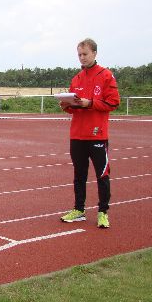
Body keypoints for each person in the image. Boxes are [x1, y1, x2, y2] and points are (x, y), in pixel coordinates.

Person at [59, 38, 120, 228]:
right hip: (77, 135)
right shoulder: (76, 78)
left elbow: (113, 103)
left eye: (85, 54)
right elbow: (74, 108)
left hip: (97, 135)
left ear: (94, 53)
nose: (82, 58)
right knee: (79, 175)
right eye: (79, 54)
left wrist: (90, 103)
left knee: (102, 175)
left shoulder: (106, 75)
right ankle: (79, 210)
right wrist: (67, 106)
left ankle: (103, 212)